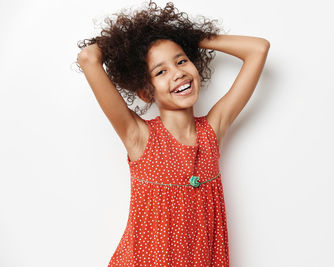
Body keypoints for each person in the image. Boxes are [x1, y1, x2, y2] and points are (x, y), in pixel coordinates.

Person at [76, 1, 270, 266]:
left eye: (181, 60)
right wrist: (125, 43)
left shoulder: (212, 130)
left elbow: (258, 49)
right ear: (146, 92)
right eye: (161, 71)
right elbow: (88, 58)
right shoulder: (139, 136)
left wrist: (189, 37)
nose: (178, 73)